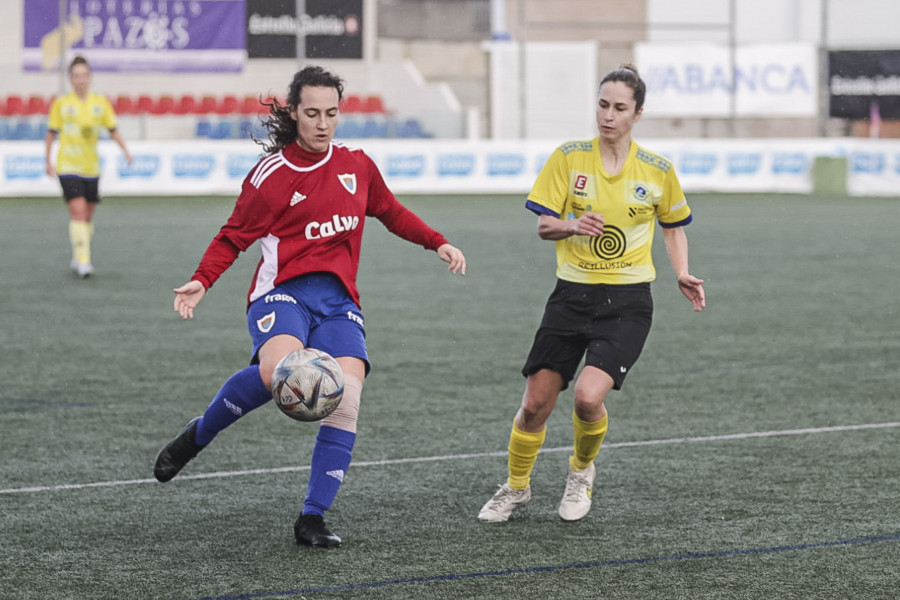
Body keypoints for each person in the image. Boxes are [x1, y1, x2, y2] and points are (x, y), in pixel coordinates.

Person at [152, 65, 466, 549]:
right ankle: (198, 435)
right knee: (278, 372)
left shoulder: (356, 165)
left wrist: (437, 242)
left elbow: (391, 212)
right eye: (313, 113)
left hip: (338, 302)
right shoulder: (271, 176)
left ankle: (312, 517)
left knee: (348, 396)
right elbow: (233, 236)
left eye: (332, 113)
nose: (323, 123)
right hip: (281, 293)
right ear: (294, 112)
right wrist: (201, 280)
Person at [477, 64, 705, 523]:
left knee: (586, 396)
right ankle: (516, 487)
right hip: (571, 296)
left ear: (637, 113)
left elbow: (673, 226)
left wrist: (681, 270)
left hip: (627, 303)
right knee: (535, 404)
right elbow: (544, 226)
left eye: (620, 108)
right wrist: (572, 224)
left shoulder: (658, 169)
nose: (608, 115)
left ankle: (581, 472)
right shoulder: (569, 158)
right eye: (603, 105)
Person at [45, 55, 133, 278]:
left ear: (90, 77)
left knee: (87, 217)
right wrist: (48, 160)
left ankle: (78, 251)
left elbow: (112, 128)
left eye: (84, 75)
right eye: (76, 75)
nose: (81, 79)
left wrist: (125, 150)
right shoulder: (61, 104)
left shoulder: (100, 103)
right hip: (67, 167)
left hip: (92, 168)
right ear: (70, 79)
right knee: (78, 210)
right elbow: (51, 133)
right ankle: (84, 261)